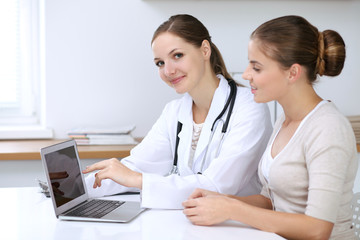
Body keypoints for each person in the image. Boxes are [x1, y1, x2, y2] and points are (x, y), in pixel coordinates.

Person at [183, 15, 358, 239]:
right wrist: (222, 201)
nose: (246, 75)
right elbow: (271, 200)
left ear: (293, 73)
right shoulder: (284, 121)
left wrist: (233, 209)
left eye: (256, 68)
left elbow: (317, 229)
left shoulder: (328, 129)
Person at [82, 14, 272, 209]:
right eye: (160, 63)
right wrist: (72, 189)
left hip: (238, 228)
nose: (168, 71)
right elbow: (135, 167)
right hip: (192, 223)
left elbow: (215, 187)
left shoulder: (249, 107)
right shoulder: (174, 112)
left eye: (177, 56)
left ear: (204, 50)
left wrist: (137, 179)